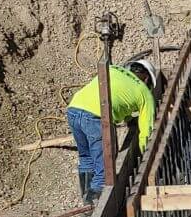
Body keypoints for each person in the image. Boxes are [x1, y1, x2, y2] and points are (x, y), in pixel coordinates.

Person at [66, 59, 157, 205]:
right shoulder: (144, 92)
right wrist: (146, 158)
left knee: (86, 158)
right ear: (146, 78)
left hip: (73, 109)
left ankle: (86, 200)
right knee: (105, 168)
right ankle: (94, 206)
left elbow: (116, 98)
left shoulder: (113, 70)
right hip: (95, 117)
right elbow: (146, 133)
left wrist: (127, 117)